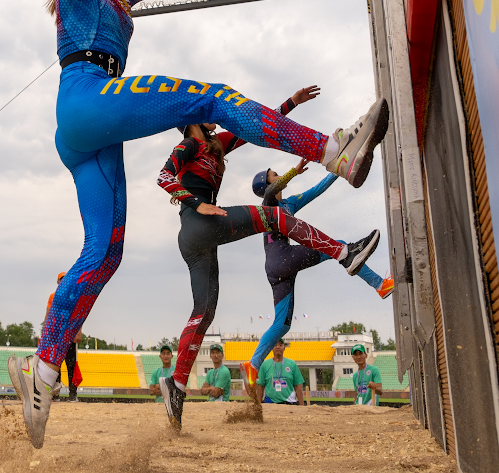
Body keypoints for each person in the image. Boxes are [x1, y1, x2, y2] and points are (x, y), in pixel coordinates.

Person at [8, 0, 390, 449]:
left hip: (86, 129)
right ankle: (331, 151)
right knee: (208, 98)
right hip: (84, 95)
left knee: (104, 253)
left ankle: (44, 368)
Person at [155, 97, 381, 429]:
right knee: (272, 216)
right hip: (198, 223)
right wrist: (194, 202)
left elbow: (258, 125)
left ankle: (175, 386)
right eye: (209, 118)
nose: (215, 122)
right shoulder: (188, 145)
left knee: (203, 312)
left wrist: (291, 103)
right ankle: (345, 254)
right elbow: (163, 176)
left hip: (196, 235)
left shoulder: (216, 147)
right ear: (195, 122)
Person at [240, 161, 394, 400]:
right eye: (274, 174)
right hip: (282, 258)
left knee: (282, 325)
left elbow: (316, 190)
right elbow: (271, 191)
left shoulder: (289, 203)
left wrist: (338, 171)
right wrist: (293, 172)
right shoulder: (268, 204)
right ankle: (379, 284)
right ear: (267, 182)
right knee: (339, 248)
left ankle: (254, 364)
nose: (277, 174)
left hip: (276, 268)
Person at [43, 272, 83, 401]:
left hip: (70, 335)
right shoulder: (52, 296)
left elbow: (78, 316)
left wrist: (78, 332)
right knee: (55, 366)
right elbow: (48, 315)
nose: (63, 281)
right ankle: (56, 394)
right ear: (58, 282)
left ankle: (73, 394)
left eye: (65, 279)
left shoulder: (74, 296)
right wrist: (45, 333)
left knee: (71, 365)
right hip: (56, 336)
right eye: (61, 279)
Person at [255, 338, 306, 405]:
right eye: (275, 345)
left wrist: (301, 405)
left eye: (280, 345)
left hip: (289, 403)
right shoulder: (265, 364)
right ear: (271, 348)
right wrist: (258, 405)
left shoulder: (292, 364)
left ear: (284, 347)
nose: (278, 347)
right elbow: (260, 386)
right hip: (270, 403)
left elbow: (297, 385)